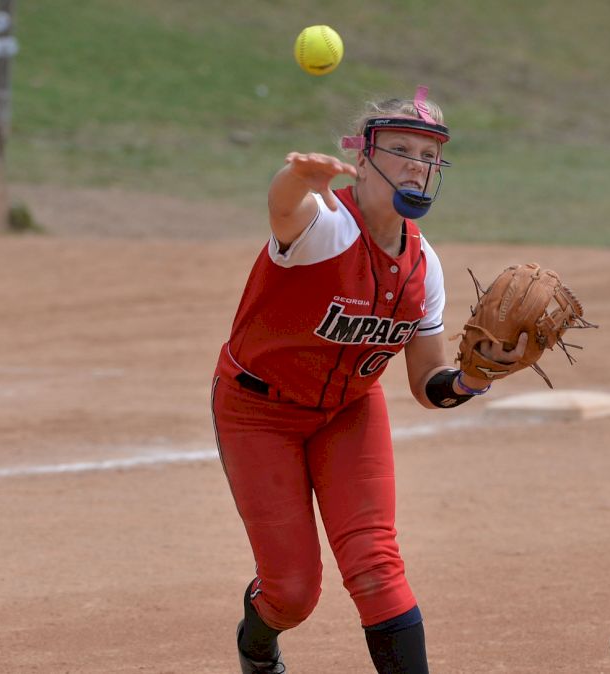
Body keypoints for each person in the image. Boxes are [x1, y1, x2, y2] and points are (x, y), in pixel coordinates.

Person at [210, 86, 520, 673]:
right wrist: (297, 176)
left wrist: (471, 379)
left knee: (377, 567)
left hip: (350, 413)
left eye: (429, 155)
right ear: (364, 156)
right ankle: (256, 643)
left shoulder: (425, 265)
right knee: (293, 593)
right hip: (258, 413)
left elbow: (428, 380)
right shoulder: (326, 224)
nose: (417, 164)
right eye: (401, 149)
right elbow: (284, 207)